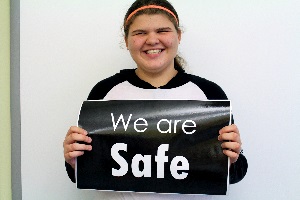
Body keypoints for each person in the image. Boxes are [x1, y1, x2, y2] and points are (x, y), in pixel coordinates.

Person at [63, 0, 248, 198]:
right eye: (140, 33)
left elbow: (235, 174)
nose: (152, 40)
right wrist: (74, 160)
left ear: (178, 36)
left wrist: (233, 157)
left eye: (162, 30)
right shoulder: (104, 92)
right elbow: (84, 173)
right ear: (126, 41)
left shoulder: (209, 94)